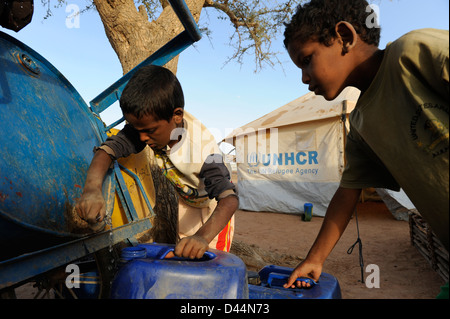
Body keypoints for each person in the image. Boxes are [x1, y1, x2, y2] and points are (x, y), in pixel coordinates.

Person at [282, 0, 449, 298]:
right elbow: (347, 192)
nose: (304, 79)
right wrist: (315, 259)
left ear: (344, 37)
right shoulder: (360, 125)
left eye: (307, 60)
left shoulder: (413, 53)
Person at [76, 65, 238, 259]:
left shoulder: (205, 153)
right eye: (138, 131)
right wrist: (92, 190)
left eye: (149, 131)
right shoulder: (150, 124)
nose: (142, 138)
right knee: (183, 252)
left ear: (177, 116)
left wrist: (203, 237)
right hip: (187, 201)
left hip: (214, 209)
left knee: (209, 259)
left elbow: (229, 200)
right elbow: (106, 152)